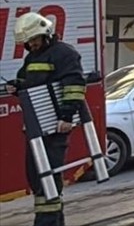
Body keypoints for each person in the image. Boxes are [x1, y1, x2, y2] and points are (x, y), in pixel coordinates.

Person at [6, 13, 86, 226]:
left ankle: (47, 222)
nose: (31, 44)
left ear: (46, 34)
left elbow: (74, 85)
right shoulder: (33, 57)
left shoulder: (64, 53)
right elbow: (29, 82)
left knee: (47, 177)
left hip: (54, 126)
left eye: (34, 39)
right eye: (28, 41)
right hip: (35, 127)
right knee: (36, 176)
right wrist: (17, 86)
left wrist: (66, 116)